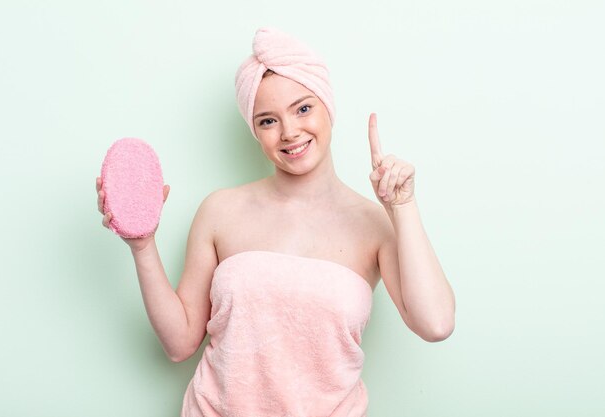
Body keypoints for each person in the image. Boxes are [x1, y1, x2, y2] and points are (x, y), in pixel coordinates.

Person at [95, 27, 455, 417]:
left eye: (303, 109)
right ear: (256, 132)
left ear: (327, 107)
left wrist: (403, 206)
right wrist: (143, 245)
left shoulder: (373, 225)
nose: (290, 132)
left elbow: (435, 324)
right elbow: (180, 343)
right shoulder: (219, 211)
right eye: (268, 121)